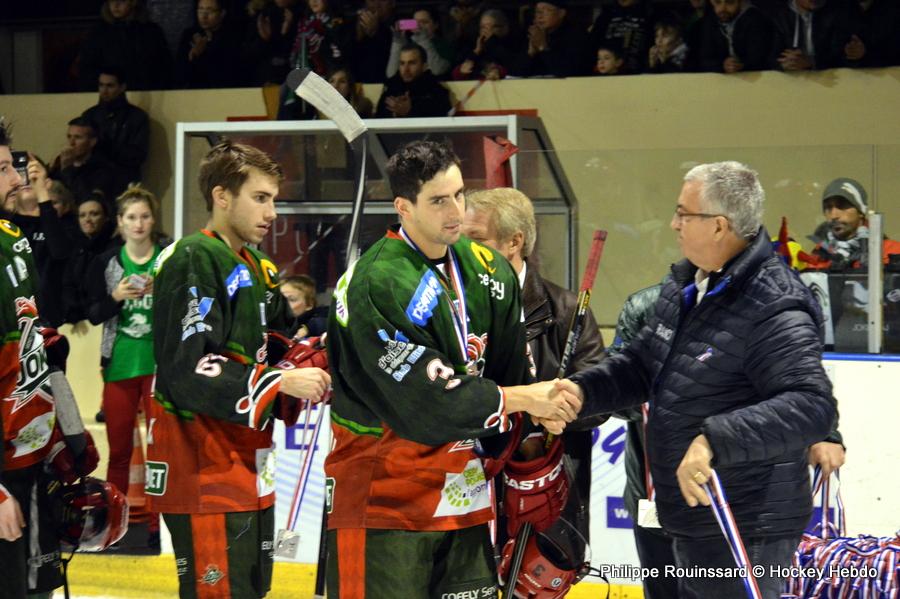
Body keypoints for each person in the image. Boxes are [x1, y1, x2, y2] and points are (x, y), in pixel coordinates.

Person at [551, 161, 838, 598]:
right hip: (690, 516)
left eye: (685, 214)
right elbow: (642, 366)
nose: (674, 224)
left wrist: (712, 441)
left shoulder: (775, 303)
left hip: (746, 525)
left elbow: (810, 406)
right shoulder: (686, 285)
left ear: (720, 226)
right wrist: (581, 392)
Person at [323, 140, 580, 597]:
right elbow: (426, 403)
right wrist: (524, 399)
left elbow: (510, 377)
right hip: (384, 502)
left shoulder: (489, 271)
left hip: (465, 500)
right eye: (439, 200)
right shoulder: (376, 283)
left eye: (459, 194)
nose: (456, 210)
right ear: (403, 207)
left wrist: (542, 421)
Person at [146, 140, 331, 598]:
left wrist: (334, 335)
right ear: (221, 196)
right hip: (204, 466)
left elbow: (286, 340)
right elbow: (188, 367)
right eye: (260, 198)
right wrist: (282, 380)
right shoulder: (193, 258)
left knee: (250, 590)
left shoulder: (261, 267)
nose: (271, 212)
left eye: (274, 199)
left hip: (248, 464)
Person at [462, 187, 606, 539]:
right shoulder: (451, 303)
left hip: (542, 484)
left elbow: (598, 394)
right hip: (466, 485)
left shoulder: (565, 310)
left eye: (476, 239)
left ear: (515, 242)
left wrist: (556, 411)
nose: (463, 251)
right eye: (459, 239)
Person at [1, 120, 97, 598]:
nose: (17, 179)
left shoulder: (23, 234)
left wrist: (63, 439)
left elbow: (60, 251)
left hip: (30, 441)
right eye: (5, 169)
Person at [85, 184, 167, 549]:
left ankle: (157, 529)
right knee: (119, 450)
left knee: (161, 452)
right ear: (119, 223)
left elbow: (187, 309)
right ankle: (112, 529)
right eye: (131, 217)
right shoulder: (107, 262)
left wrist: (159, 292)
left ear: (153, 220)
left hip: (158, 366)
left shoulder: (167, 257)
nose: (139, 223)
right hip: (118, 364)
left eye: (145, 216)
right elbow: (93, 313)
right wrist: (116, 296)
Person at [77, 0, 173, 91]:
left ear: (133, 2)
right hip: (109, 95)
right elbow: (87, 68)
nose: (116, 5)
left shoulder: (150, 32)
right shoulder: (98, 33)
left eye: (122, 0)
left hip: (145, 92)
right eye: (112, 1)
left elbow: (164, 67)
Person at [807, 177, 900, 269]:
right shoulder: (818, 255)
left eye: (842, 206)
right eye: (828, 208)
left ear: (860, 212)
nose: (834, 215)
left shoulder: (892, 252)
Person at [80, 66, 150, 184]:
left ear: (122, 87)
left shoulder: (137, 117)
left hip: (124, 181)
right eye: (101, 85)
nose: (104, 90)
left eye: (110, 86)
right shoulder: (90, 115)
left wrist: (106, 146)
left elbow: (138, 155)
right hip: (92, 180)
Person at [49, 117, 129, 210]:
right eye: (69, 137)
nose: (71, 143)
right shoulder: (58, 164)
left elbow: (85, 198)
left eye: (78, 137)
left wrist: (68, 169)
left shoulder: (104, 170)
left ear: (92, 142)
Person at [769, 0, 861, 71]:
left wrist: (812, 62)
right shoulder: (776, 16)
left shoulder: (840, 13)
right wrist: (783, 64)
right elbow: (767, 58)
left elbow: (841, 57)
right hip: (785, 85)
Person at [690, 0, 774, 73]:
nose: (723, 8)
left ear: (740, 2)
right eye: (717, 2)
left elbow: (760, 60)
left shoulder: (755, 20)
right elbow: (705, 59)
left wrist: (741, 65)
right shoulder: (710, 20)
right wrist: (722, 66)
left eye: (730, 2)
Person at [513, 0, 593, 78]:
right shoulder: (534, 35)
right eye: (537, 11)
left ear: (561, 13)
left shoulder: (577, 36)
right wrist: (530, 53)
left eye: (546, 10)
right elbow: (515, 73)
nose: (540, 16)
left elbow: (566, 72)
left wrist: (543, 48)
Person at [176, 0, 244, 89]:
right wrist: (194, 56)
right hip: (196, 93)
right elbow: (180, 74)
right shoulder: (189, 35)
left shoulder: (233, 36)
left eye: (210, 11)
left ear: (222, 13)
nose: (204, 16)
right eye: (200, 10)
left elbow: (232, 73)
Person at [375, 43, 451, 117]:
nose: (406, 69)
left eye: (412, 63)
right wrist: (395, 113)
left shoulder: (434, 87)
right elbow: (378, 116)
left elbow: (443, 114)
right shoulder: (392, 86)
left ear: (424, 66)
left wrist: (411, 110)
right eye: (402, 63)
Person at [451, 9, 521, 81]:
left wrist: (493, 41)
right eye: (483, 27)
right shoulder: (473, 45)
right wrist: (476, 52)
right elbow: (458, 71)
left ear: (505, 28)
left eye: (493, 27)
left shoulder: (514, 44)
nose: (486, 31)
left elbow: (515, 68)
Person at [385, 8, 453, 79]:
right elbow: (391, 74)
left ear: (436, 25)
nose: (419, 26)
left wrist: (423, 39)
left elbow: (437, 71)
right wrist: (398, 42)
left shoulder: (445, 45)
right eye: (415, 23)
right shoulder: (409, 45)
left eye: (424, 22)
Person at [590, 0, 654, 74]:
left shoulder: (650, 16)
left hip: (638, 75)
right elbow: (592, 47)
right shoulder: (605, 16)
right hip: (605, 76)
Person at [280, 274, 328, 338]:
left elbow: (330, 322)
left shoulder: (319, 316)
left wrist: (308, 328)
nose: (283, 303)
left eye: (292, 299)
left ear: (309, 305)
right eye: (280, 299)